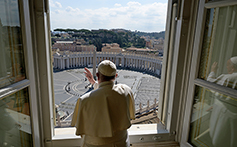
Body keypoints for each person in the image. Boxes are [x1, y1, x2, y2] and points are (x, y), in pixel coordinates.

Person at [71, 60, 135, 147]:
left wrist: (94, 82)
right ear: (116, 76)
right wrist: (93, 83)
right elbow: (108, 90)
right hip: (121, 143)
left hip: (94, 144)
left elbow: (80, 129)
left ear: (97, 75)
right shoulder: (126, 91)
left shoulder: (84, 100)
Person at [207, 57, 237, 147]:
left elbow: (210, 84)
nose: (226, 68)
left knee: (218, 137)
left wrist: (213, 71)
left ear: (232, 67)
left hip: (224, 113)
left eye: (228, 65)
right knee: (231, 136)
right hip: (233, 112)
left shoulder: (229, 77)